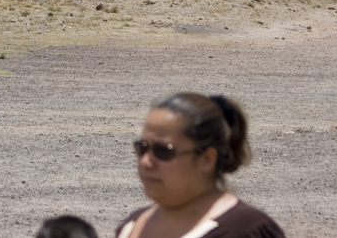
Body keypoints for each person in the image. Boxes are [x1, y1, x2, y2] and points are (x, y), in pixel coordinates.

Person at [116, 93, 285, 238]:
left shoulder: (245, 231)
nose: (145, 162)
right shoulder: (132, 225)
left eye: (164, 151)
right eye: (142, 148)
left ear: (207, 159)